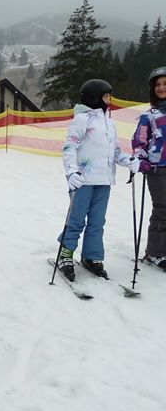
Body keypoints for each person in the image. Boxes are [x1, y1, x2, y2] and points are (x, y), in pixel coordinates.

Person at [58, 79, 140, 280]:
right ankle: (65, 255)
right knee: (76, 220)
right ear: (94, 97)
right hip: (83, 181)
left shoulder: (110, 123)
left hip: (104, 181)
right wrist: (71, 172)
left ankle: (91, 256)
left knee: (97, 221)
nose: (109, 100)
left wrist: (128, 160)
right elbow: (70, 147)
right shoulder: (81, 120)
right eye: (105, 96)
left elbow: (116, 152)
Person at [132, 67, 166, 269]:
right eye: (157, 85)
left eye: (165, 84)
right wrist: (141, 159)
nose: (161, 88)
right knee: (163, 209)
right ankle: (155, 252)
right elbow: (139, 141)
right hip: (157, 168)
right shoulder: (149, 115)